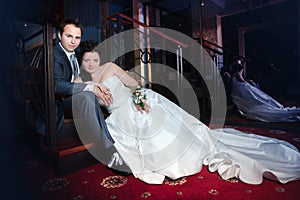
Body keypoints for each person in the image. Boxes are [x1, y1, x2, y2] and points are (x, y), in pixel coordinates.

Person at [76, 40, 300, 185]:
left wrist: (138, 98)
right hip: (118, 116)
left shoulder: (110, 68)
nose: (92, 63)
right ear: (82, 61)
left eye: (94, 58)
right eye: (87, 60)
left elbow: (133, 84)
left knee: (163, 127)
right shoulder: (80, 79)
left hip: (136, 103)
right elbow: (69, 89)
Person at [37, 18, 126, 169]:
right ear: (59, 35)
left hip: (74, 99)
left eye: (77, 37)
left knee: (92, 95)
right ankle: (108, 150)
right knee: (88, 94)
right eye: (69, 36)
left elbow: (88, 71)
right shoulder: (53, 54)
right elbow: (56, 85)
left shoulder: (78, 54)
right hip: (58, 102)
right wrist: (89, 87)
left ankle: (111, 144)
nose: (73, 41)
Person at [230, 62, 300, 122]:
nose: (242, 72)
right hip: (241, 88)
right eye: (242, 71)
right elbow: (242, 81)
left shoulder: (234, 74)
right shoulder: (237, 73)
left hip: (238, 89)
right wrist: (249, 83)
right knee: (256, 95)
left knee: (257, 94)